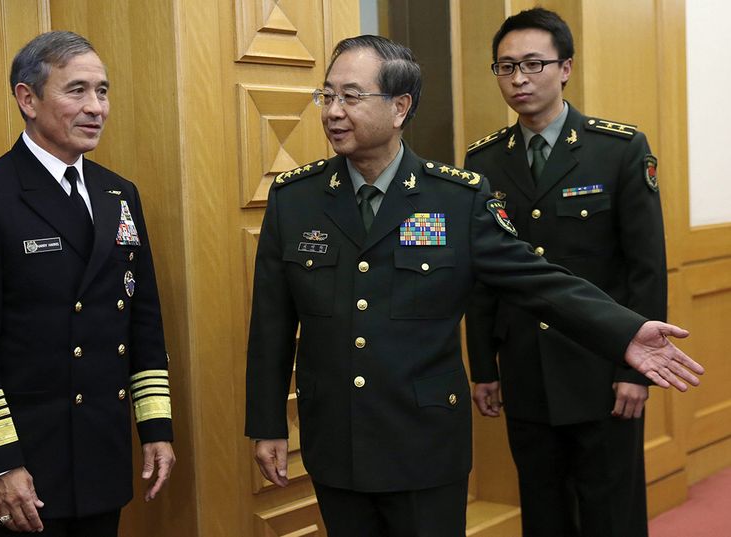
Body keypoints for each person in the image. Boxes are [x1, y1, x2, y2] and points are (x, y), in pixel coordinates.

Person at [244, 34, 702, 537]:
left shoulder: (456, 199)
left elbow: (537, 279)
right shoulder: (296, 199)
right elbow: (271, 323)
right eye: (326, 95)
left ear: (400, 108)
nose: (333, 111)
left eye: (351, 97)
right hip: (335, 439)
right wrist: (267, 423)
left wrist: (624, 331)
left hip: (424, 444)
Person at [0, 31, 174, 536]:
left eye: (102, 91)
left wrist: (155, 428)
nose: (96, 108)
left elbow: (142, 318)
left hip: (102, 462)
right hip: (23, 472)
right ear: (28, 99)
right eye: (76, 91)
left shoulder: (117, 193)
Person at [463, 8, 662, 537]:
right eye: (506, 67)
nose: (520, 79)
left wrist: (634, 373)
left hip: (602, 369)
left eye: (533, 64)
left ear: (566, 67)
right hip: (526, 366)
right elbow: (483, 276)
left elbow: (645, 269)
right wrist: (484, 365)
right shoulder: (481, 163)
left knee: (610, 512)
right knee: (543, 509)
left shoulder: (617, 149)